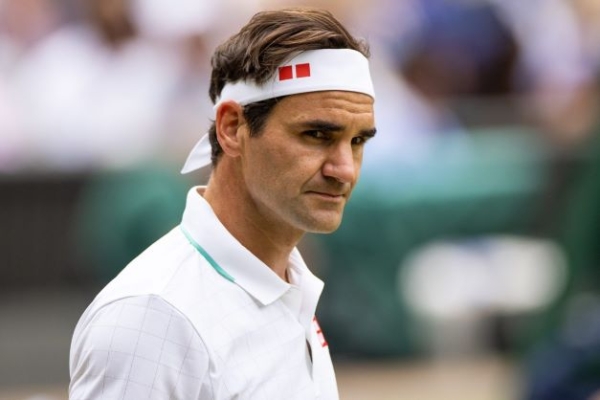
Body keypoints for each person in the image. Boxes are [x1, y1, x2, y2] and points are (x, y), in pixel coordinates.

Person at [69, 7, 376, 400]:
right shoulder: (153, 315)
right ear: (232, 128)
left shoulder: (290, 283)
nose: (345, 169)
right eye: (316, 135)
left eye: (358, 141)